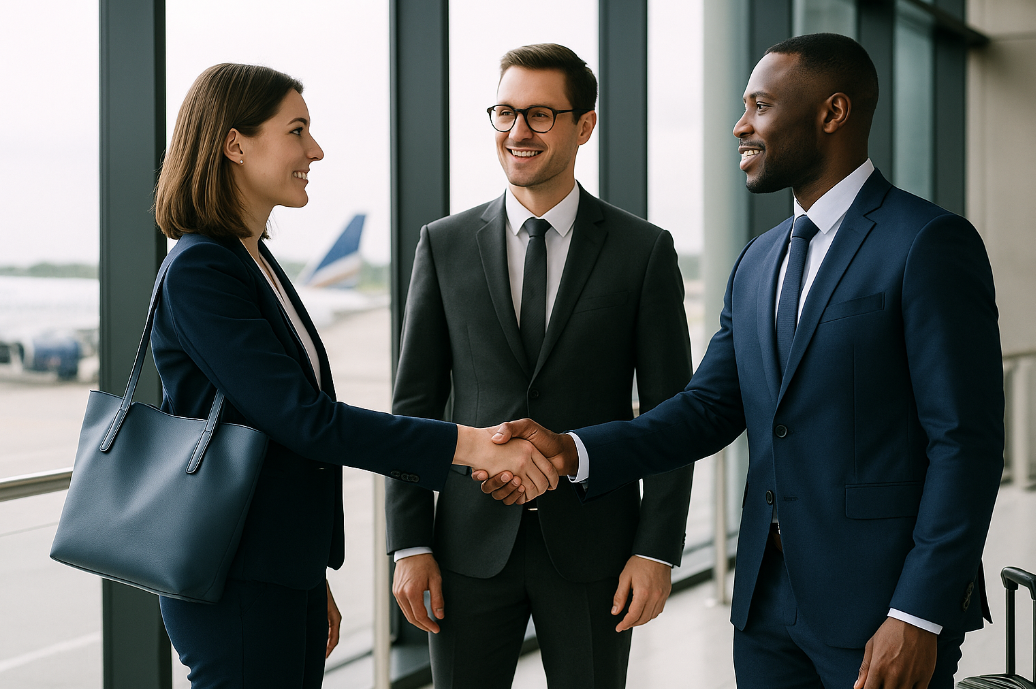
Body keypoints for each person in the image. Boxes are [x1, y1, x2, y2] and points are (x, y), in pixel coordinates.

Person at [489, 33, 1004, 689]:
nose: (740, 126)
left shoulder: (927, 243)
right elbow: (707, 409)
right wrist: (571, 451)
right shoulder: (759, 261)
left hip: (883, 606)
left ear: (832, 112)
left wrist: (920, 611)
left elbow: (965, 443)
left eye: (759, 106)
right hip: (767, 606)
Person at [149, 63, 559, 689]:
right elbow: (304, 420)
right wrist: (468, 444)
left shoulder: (249, 259)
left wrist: (309, 576)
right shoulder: (202, 269)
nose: (315, 150)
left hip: (276, 567)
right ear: (236, 144)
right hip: (231, 574)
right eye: (296, 131)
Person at [386, 44, 694, 688]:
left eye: (539, 115)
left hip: (596, 551)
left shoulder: (643, 251)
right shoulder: (442, 245)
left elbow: (672, 416)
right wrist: (411, 543)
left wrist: (656, 548)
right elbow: (414, 407)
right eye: (504, 112)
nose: (517, 132)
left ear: (584, 125)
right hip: (467, 549)